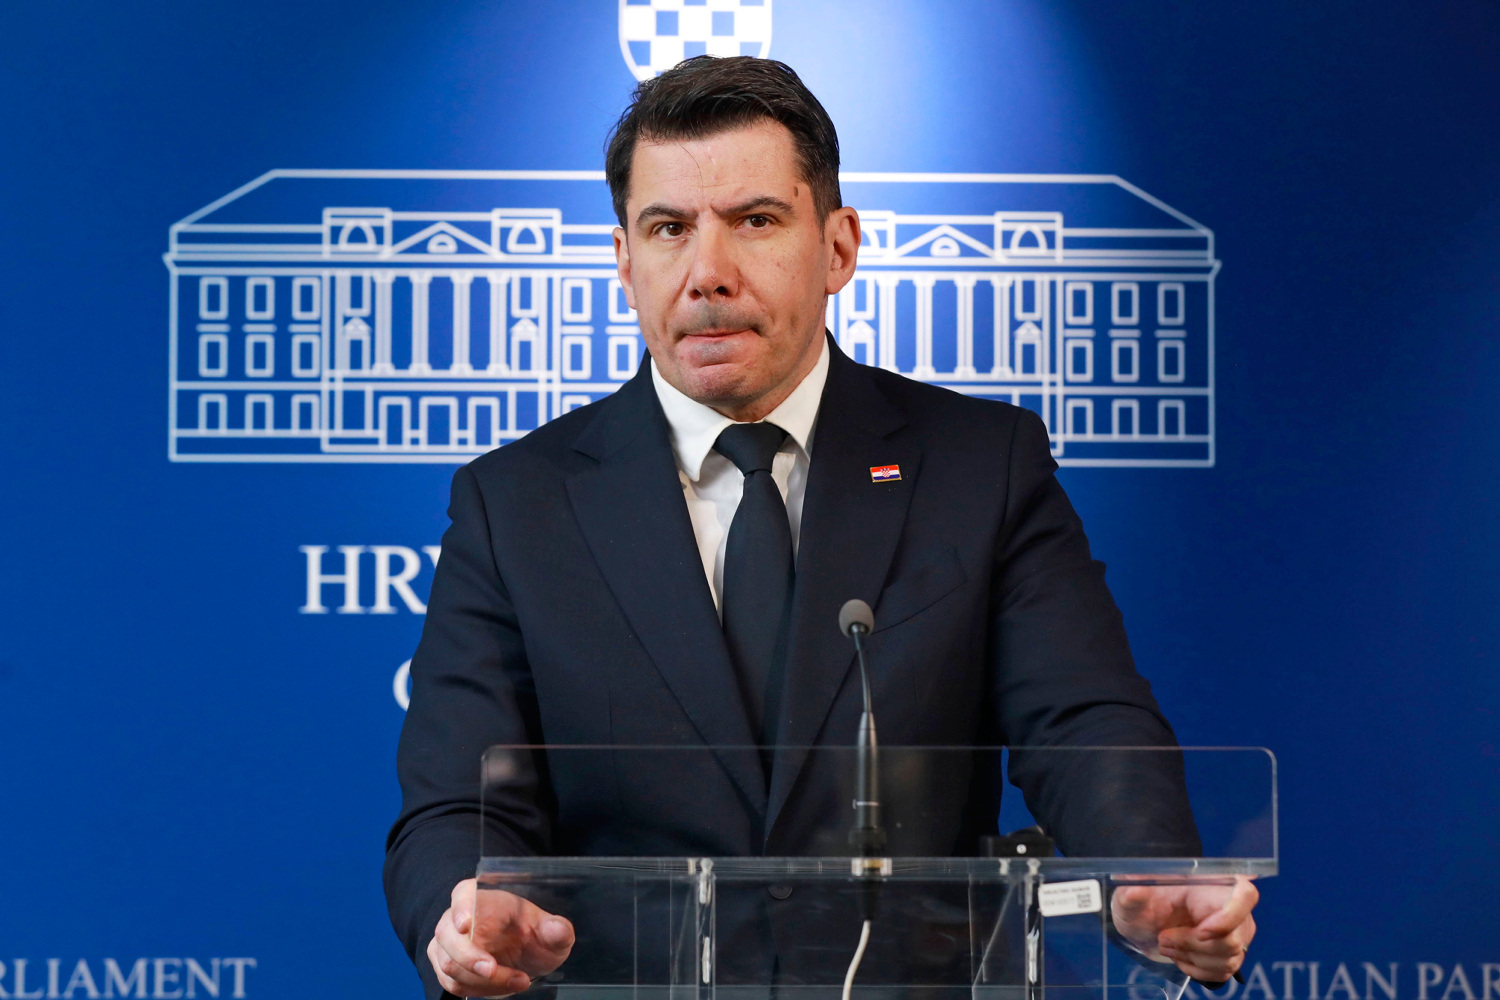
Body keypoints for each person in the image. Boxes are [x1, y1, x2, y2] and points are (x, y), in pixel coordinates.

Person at [385, 56, 1258, 1000]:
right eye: (669, 229)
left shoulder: (979, 466)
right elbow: (457, 803)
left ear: (838, 248)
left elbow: (1080, 719)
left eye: (756, 222)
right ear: (624, 262)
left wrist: (1145, 867)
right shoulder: (516, 503)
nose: (708, 274)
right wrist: (460, 914)